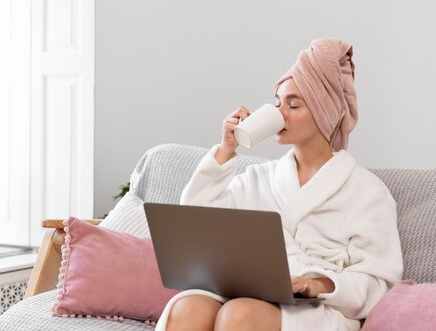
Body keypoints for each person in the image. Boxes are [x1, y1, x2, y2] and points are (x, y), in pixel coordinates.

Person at [155, 38, 403, 331]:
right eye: (277, 104)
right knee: (188, 308)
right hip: (248, 293)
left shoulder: (366, 191)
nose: (279, 114)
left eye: (293, 105)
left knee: (240, 315)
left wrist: (318, 283)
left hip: (319, 308)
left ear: (324, 111)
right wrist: (226, 149)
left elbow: (378, 283)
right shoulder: (260, 177)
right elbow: (196, 223)